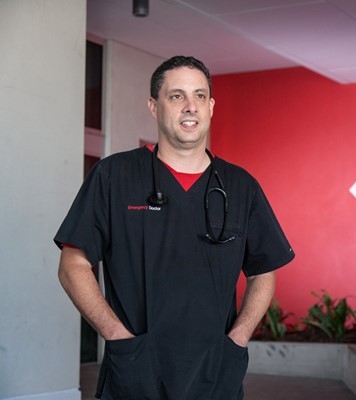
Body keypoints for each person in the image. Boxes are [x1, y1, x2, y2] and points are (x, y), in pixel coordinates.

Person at [55, 55, 295, 399]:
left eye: (199, 96)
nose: (190, 107)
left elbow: (263, 271)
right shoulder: (113, 177)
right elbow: (72, 264)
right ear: (154, 107)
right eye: (176, 95)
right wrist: (116, 336)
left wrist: (237, 338)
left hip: (215, 371)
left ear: (211, 107)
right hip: (135, 369)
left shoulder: (242, 186)